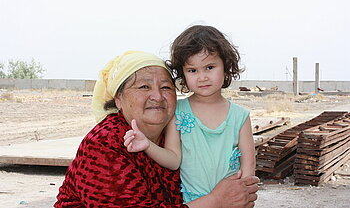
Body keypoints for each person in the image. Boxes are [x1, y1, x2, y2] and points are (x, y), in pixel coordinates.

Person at [55, 50, 259, 207]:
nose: (157, 96)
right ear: (119, 99)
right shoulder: (105, 144)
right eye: (144, 87)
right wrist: (216, 201)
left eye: (165, 87)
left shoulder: (172, 134)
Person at [124, 25, 256, 203]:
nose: (202, 77)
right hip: (194, 202)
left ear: (225, 67)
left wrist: (245, 199)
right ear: (183, 74)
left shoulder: (240, 116)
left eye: (209, 67)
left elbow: (249, 165)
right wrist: (147, 144)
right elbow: (173, 159)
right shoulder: (178, 111)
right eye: (192, 70)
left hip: (233, 201)